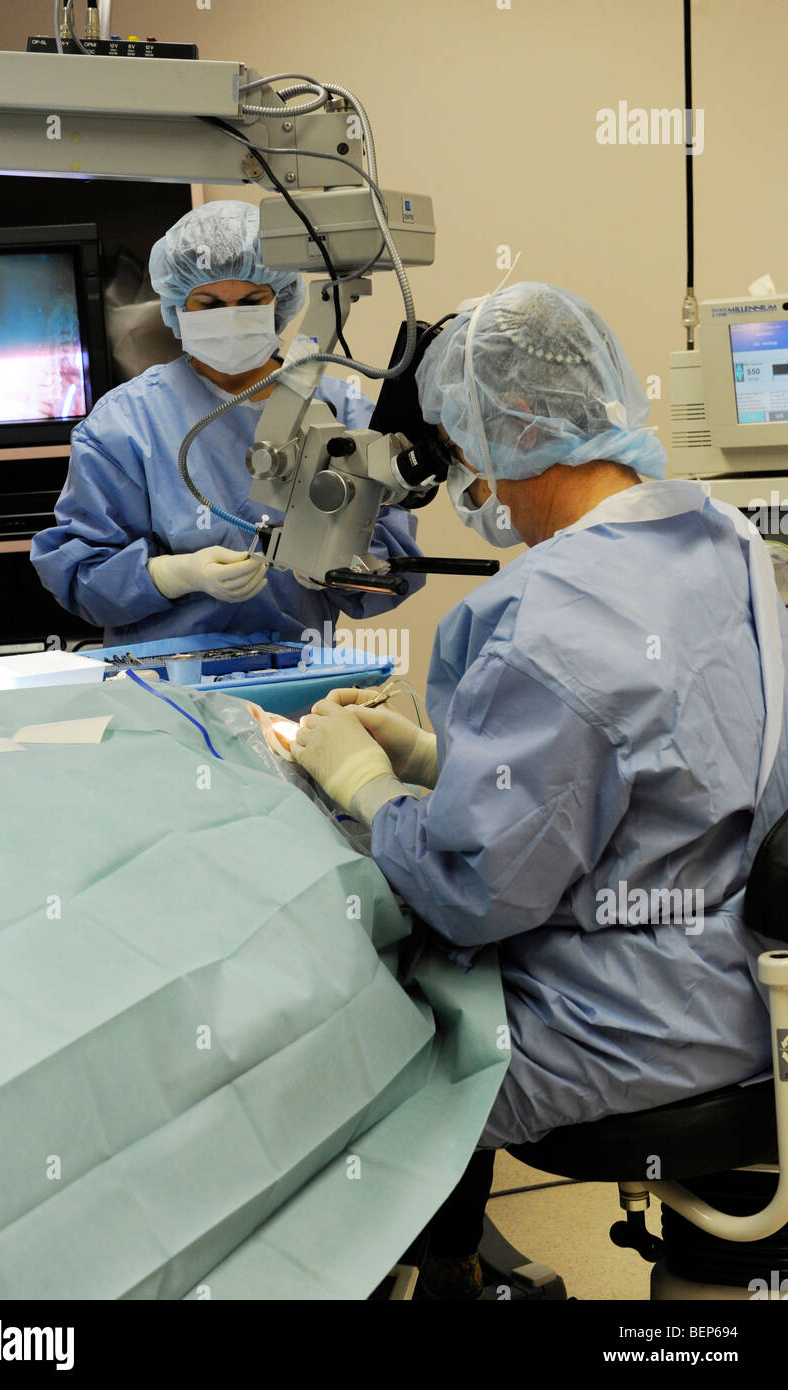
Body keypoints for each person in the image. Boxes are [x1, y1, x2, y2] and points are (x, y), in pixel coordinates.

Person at [290, 281, 788, 1296]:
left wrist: (367, 787)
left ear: (509, 431)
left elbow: (474, 891)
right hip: (746, 1005)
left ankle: (434, 1271)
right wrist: (445, 762)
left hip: (629, 1035)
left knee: (341, 1059)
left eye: (463, 451)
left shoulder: (554, 609)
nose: (473, 487)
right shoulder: (720, 541)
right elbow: (671, 759)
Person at [31, 201, 423, 645]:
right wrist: (170, 575)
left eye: (253, 301)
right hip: (166, 687)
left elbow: (393, 556)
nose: (232, 315)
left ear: (280, 301)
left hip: (300, 677)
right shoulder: (126, 423)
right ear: (178, 306)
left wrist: (336, 569)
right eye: (210, 303)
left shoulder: (337, 408)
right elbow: (81, 575)